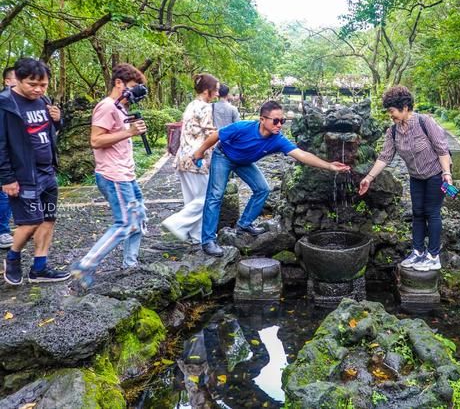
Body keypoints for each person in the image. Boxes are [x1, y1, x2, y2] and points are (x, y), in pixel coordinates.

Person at [193, 100, 350, 256]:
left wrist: (329, 166)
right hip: (224, 156)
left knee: (263, 189)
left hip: (243, 162)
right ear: (262, 119)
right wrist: (199, 152)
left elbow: (301, 154)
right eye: (276, 121)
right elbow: (217, 135)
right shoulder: (243, 127)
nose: (280, 125)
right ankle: (208, 241)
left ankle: (244, 224)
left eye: (282, 121)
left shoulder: (277, 139)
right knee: (216, 195)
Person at [70, 63, 148, 288]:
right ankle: (84, 266)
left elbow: (118, 136)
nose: (135, 92)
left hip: (126, 174)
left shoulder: (121, 107)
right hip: (113, 176)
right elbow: (95, 140)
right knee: (124, 223)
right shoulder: (105, 106)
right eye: (133, 87)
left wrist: (131, 131)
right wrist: (129, 132)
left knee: (139, 217)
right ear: (118, 83)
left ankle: (130, 264)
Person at [359, 86, 452, 271]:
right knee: (417, 212)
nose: (390, 115)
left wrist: (447, 174)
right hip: (416, 177)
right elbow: (385, 157)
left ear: (405, 107)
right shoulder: (393, 131)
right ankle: (417, 252)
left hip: (436, 174)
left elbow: (442, 150)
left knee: (431, 212)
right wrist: (368, 178)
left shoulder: (425, 122)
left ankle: (433, 256)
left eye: (392, 111)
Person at [0, 58, 70, 284]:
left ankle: (40, 267)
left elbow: (48, 131)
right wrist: (7, 178)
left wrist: (58, 121)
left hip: (47, 173)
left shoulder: (44, 100)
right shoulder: (5, 104)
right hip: (24, 176)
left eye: (43, 85)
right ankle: (12, 257)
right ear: (17, 80)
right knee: (29, 222)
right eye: (32, 84)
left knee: (48, 219)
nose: (38, 89)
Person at [161, 73, 219, 244]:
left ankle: (196, 236)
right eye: (215, 90)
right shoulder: (206, 107)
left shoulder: (191, 105)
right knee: (206, 198)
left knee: (192, 200)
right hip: (197, 159)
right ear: (207, 91)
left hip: (182, 157)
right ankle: (176, 222)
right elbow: (210, 134)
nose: (217, 94)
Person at [0, 67, 18, 249]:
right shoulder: (5, 101)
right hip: (4, 158)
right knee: (4, 194)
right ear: (7, 81)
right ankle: (3, 231)